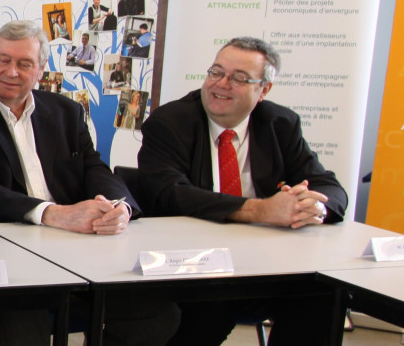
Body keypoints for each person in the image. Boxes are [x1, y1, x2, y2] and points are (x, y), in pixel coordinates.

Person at [0, 20, 176, 346]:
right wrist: (53, 214)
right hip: (6, 253)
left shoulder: (67, 111)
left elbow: (95, 167)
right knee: (26, 320)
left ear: (40, 69)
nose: (12, 71)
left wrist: (119, 207)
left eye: (24, 63)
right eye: (3, 60)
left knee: (159, 312)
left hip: (76, 249)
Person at [139, 37, 347, 346]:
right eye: (215, 72)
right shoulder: (170, 122)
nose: (221, 84)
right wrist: (261, 211)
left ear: (263, 90)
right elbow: (169, 193)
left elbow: (329, 186)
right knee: (208, 311)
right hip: (193, 267)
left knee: (322, 293)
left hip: (263, 264)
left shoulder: (280, 123)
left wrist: (313, 207)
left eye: (238, 78)